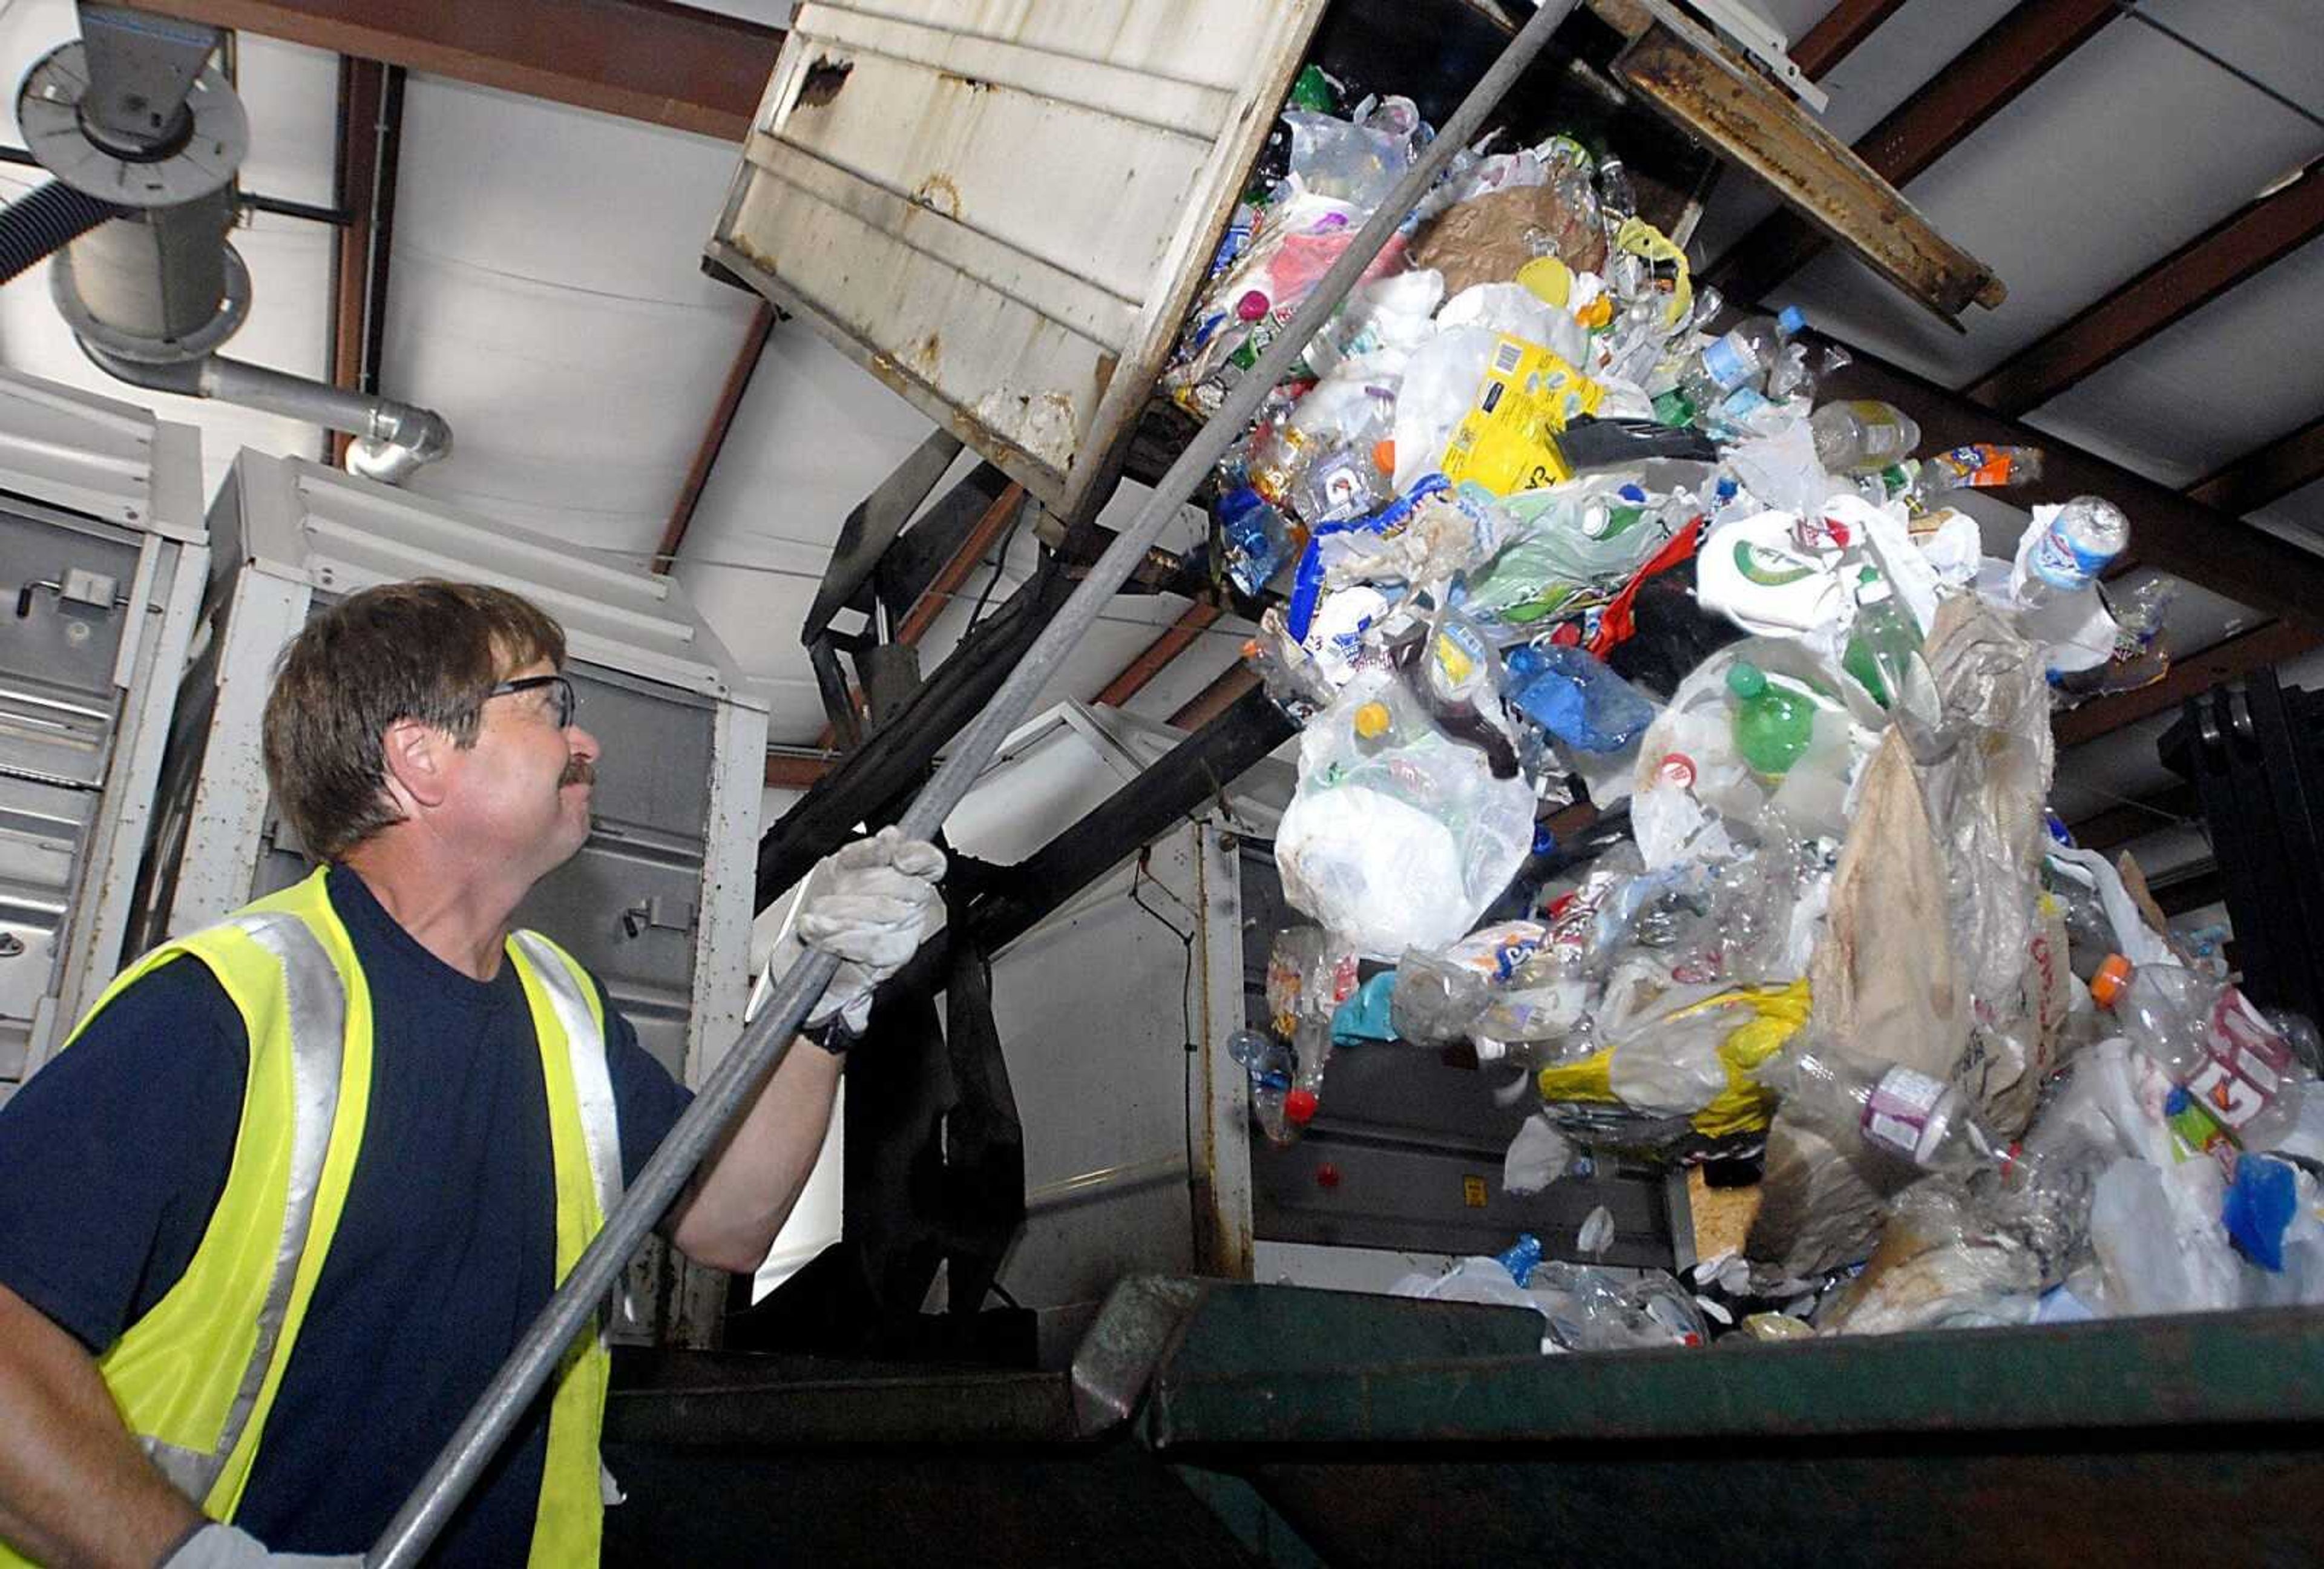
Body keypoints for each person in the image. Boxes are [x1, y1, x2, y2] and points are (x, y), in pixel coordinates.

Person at [0, 581, 944, 1568]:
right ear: (419, 758)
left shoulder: (561, 1009)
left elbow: (729, 1221)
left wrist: (820, 1000)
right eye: (549, 706)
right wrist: (185, 1560)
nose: (588, 745)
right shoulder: (221, 1011)